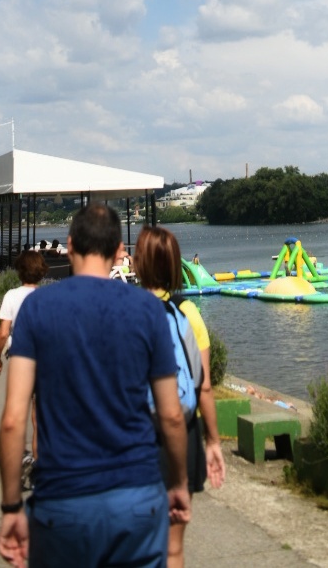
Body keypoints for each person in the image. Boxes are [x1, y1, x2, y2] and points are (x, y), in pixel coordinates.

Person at [0, 203, 188, 568]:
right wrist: (178, 484)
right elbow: (172, 416)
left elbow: (13, 419)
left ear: (69, 246)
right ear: (119, 251)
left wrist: (11, 506)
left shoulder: (38, 308)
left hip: (61, 502)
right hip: (137, 496)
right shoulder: (148, 310)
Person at [133, 223, 225, 568]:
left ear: (138, 264)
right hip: (184, 435)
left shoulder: (125, 310)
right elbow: (203, 385)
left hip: (135, 433)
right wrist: (213, 441)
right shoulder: (187, 313)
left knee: (135, 540)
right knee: (173, 547)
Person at [0, 250, 46, 482]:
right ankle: (38, 462)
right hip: (44, 357)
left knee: (16, 413)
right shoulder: (48, 296)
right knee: (38, 415)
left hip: (20, 357)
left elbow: (3, 333)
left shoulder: (11, 296)